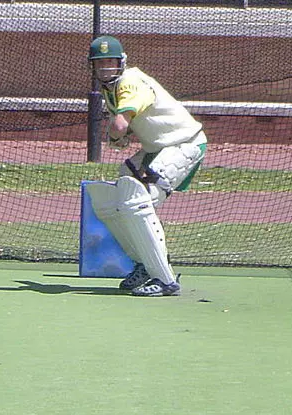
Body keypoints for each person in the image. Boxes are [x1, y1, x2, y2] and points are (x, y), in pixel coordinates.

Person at [88, 35, 207, 297]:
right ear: (93, 67)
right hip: (158, 148)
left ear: (122, 62)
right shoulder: (113, 88)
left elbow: (120, 126)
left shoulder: (129, 83)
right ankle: (144, 263)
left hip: (183, 144)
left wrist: (116, 134)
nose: (106, 68)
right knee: (109, 198)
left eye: (111, 62)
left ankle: (164, 279)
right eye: (100, 63)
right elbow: (125, 128)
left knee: (135, 200)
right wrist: (120, 135)